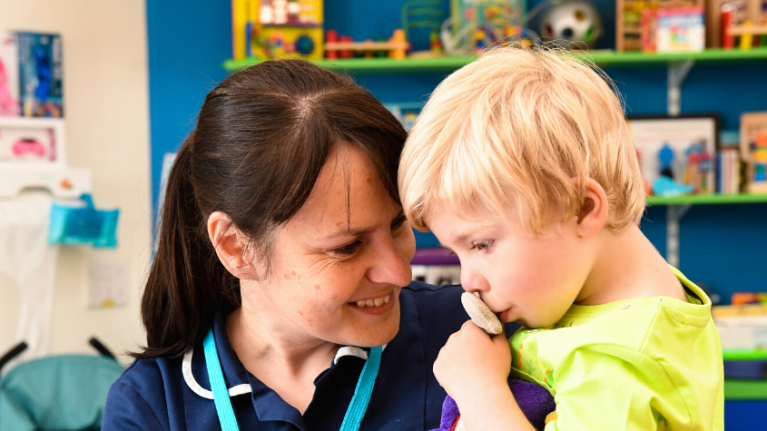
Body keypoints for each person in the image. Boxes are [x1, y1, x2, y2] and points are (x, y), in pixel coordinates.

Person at [103, 59, 480, 430]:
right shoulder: (151, 406)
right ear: (235, 246)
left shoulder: (470, 334)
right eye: (348, 246)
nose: (399, 271)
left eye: (398, 224)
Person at [398, 47, 724, 431]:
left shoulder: (615, 357)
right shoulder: (604, 304)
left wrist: (477, 387)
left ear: (582, 209)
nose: (468, 281)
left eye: (481, 245)